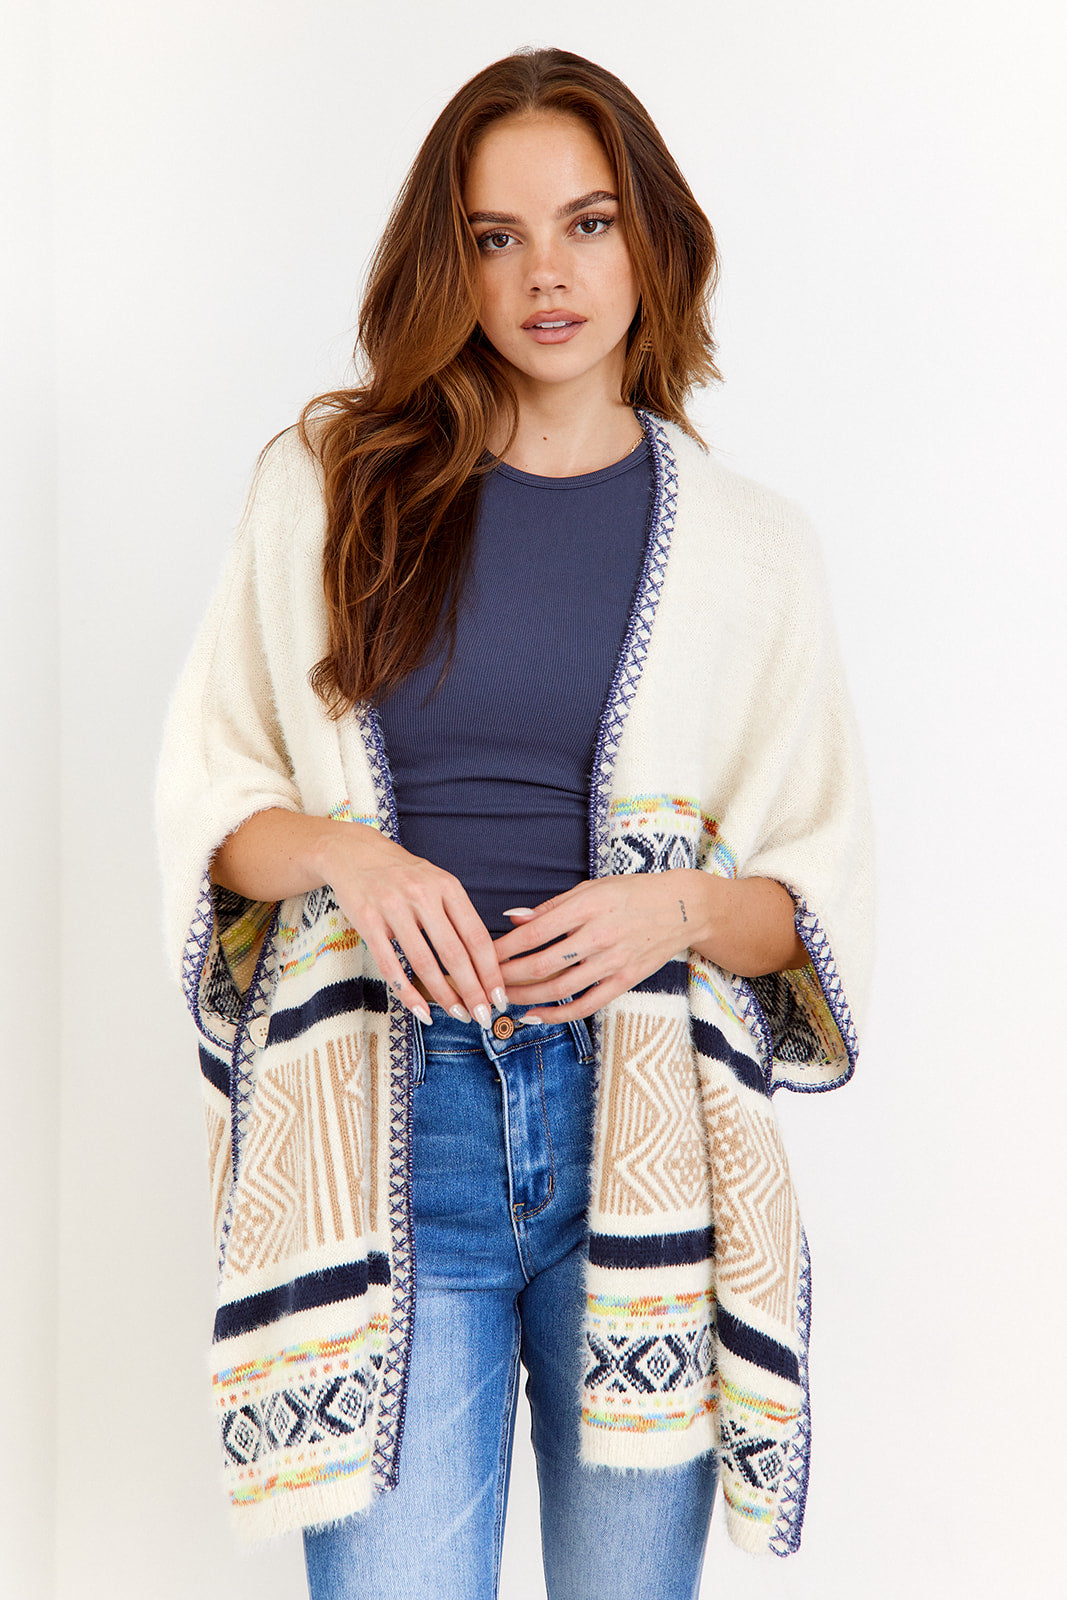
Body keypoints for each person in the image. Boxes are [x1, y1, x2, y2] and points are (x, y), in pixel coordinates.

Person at [157, 45, 872, 1600]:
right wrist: (347, 855)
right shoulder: (329, 489)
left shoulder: (755, 551)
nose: (547, 274)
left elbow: (807, 903)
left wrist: (672, 909)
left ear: (652, 241)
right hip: (392, 1121)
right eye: (498, 237)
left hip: (642, 1134)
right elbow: (215, 808)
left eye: (588, 224)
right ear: (451, 260)